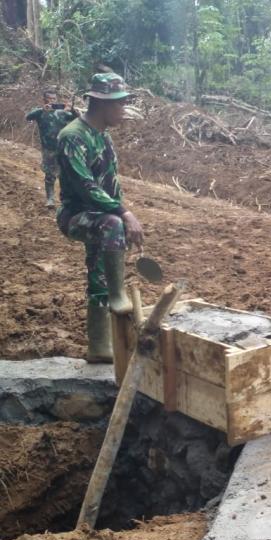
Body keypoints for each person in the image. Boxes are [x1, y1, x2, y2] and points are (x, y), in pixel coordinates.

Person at [56, 73, 143, 363]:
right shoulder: (72, 137)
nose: (123, 111)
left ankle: (99, 347)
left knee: (98, 272)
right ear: (101, 105)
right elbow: (86, 187)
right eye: (119, 105)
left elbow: (110, 184)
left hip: (100, 215)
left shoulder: (102, 137)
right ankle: (118, 295)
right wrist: (124, 214)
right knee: (112, 224)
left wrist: (124, 214)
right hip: (75, 215)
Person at [25, 90, 79, 208]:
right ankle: (50, 199)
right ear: (44, 100)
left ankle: (66, 200)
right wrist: (42, 109)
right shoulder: (40, 112)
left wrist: (72, 110)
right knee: (50, 175)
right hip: (48, 149)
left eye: (54, 99)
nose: (52, 101)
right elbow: (28, 116)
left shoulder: (63, 112)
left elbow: (78, 119)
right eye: (49, 98)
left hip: (64, 148)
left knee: (66, 175)